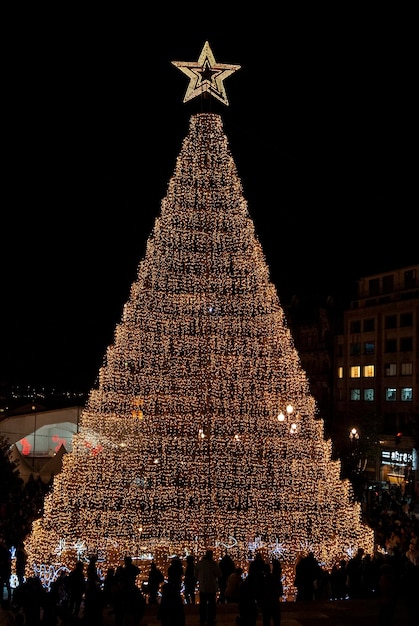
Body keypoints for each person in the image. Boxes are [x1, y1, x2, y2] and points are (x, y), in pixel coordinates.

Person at [195, 549, 222, 626]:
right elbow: (219, 574)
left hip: (202, 588)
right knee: (211, 605)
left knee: (202, 605)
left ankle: (202, 619)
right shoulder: (213, 564)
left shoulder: (200, 564)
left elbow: (195, 574)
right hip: (211, 588)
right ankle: (211, 619)